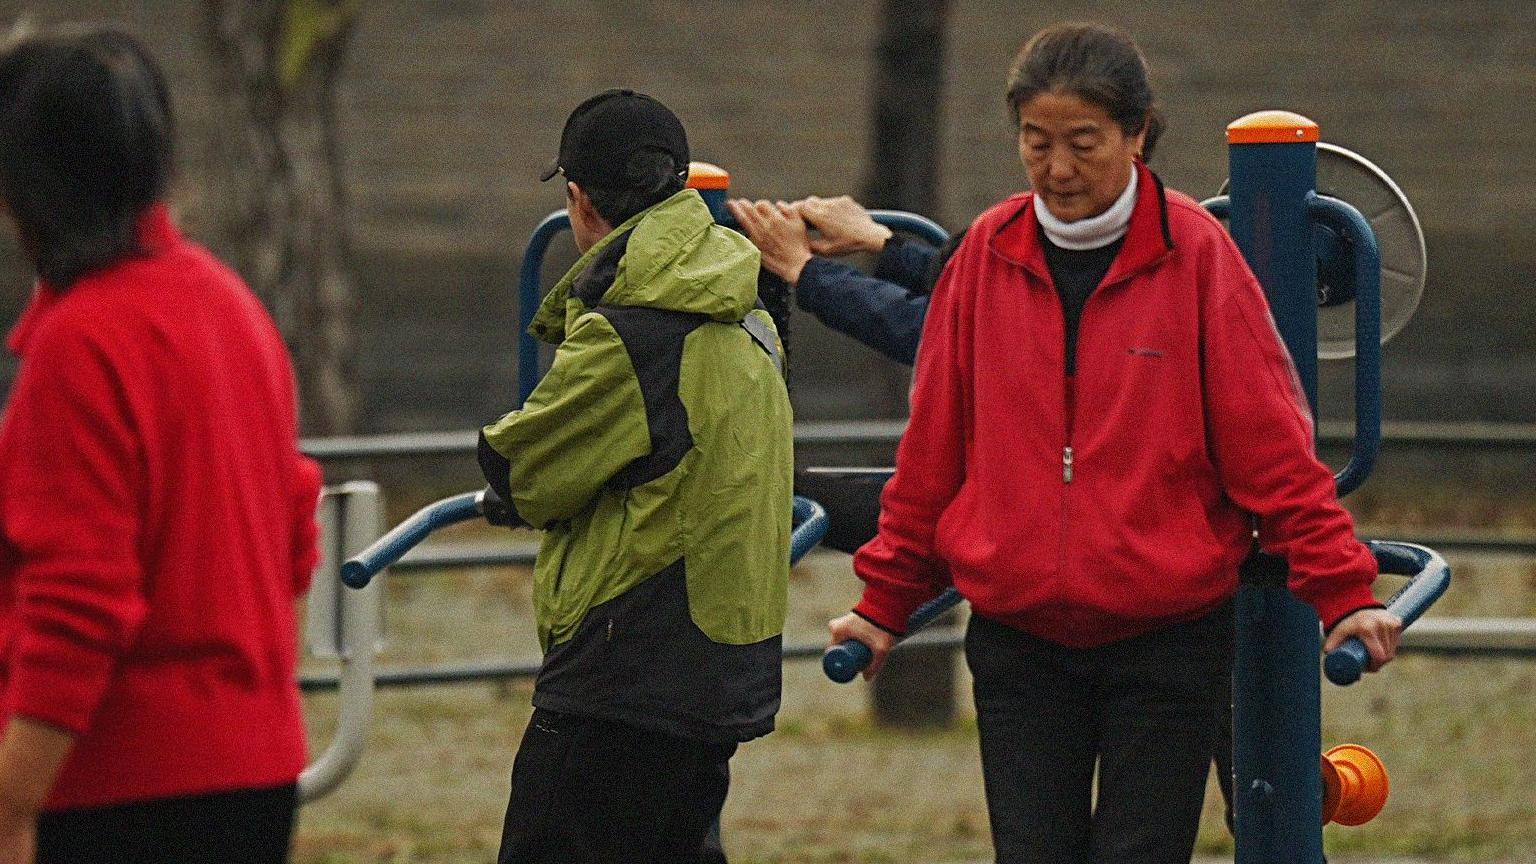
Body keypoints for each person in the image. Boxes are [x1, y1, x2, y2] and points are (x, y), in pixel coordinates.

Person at [825, 22, 1404, 863]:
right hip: (1019, 637)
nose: (1057, 169)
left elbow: (1271, 450)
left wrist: (1344, 590)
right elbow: (933, 455)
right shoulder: (986, 256)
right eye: (1037, 142)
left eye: (1084, 144)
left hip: (1163, 639)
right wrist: (883, 603)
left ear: (1137, 136)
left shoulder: (1198, 259)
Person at [0, 28, 321, 864]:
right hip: (256, 771)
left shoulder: (83, 343)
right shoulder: (230, 307)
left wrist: (11, 802)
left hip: (115, 786)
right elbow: (291, 538)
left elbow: (79, 600)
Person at [477, 89, 793, 864]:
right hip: (719, 665)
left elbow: (523, 469)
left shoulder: (632, 330)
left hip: (625, 668)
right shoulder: (747, 310)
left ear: (578, 201)